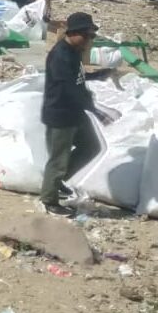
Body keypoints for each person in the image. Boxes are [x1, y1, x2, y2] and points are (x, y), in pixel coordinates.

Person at [39, 12, 113, 216]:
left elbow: (78, 78)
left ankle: (57, 181)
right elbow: (68, 87)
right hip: (61, 114)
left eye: (92, 37)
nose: (89, 41)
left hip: (75, 112)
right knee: (58, 159)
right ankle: (49, 200)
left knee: (91, 146)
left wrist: (98, 75)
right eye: (87, 36)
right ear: (74, 33)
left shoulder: (74, 51)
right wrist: (95, 110)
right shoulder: (61, 55)